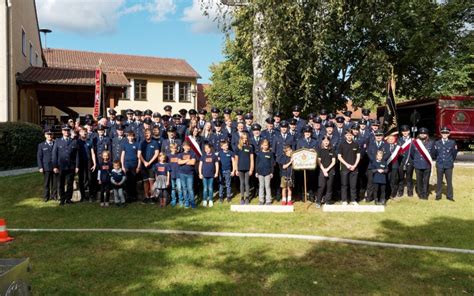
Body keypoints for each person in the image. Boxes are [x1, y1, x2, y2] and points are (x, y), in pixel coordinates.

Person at [52, 125, 79, 206]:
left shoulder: (74, 141)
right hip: (61, 166)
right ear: (62, 131)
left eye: (68, 130)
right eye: (65, 130)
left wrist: (77, 166)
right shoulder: (58, 141)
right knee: (61, 184)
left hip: (71, 166)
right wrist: (55, 166)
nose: (66, 132)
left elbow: (77, 155)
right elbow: (54, 155)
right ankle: (62, 199)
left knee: (70, 183)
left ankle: (68, 199)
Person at [433, 127, 457, 201]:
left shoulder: (452, 142)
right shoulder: (437, 142)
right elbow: (435, 154)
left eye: (446, 133)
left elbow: (454, 154)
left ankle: (450, 196)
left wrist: (450, 161)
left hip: (448, 165)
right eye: (443, 133)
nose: (445, 134)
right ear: (441, 133)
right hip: (440, 164)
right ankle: (438, 195)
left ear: (449, 134)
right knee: (439, 181)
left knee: (449, 181)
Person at [338, 130, 361, 205]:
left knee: (353, 185)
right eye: (347, 135)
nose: (349, 136)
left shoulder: (356, 144)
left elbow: (358, 156)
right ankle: (344, 200)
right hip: (345, 168)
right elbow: (339, 156)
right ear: (345, 136)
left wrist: (354, 165)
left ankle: (353, 200)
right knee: (344, 185)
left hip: (354, 168)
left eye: (350, 135)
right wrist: (347, 165)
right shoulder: (342, 144)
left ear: (352, 136)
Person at [411, 127, 434, 200]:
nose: (423, 135)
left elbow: (433, 153)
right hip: (418, 164)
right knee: (419, 180)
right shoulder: (414, 143)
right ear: (419, 134)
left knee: (426, 180)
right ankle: (420, 194)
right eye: (421, 133)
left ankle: (425, 194)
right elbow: (412, 153)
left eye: (424, 133)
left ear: (427, 134)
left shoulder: (431, 142)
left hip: (427, 164)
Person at [138, 129, 160, 204]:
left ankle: (152, 197)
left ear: (151, 134)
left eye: (149, 133)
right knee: (145, 181)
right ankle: (146, 196)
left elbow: (157, 153)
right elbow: (139, 154)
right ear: (144, 134)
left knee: (152, 181)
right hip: (144, 165)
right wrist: (144, 162)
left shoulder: (155, 142)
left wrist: (149, 162)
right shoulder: (141, 143)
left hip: (152, 165)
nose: (148, 135)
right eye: (146, 134)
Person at [37, 129, 58, 202]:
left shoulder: (56, 143)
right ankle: (46, 197)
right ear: (45, 135)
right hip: (46, 167)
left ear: (52, 135)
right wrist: (40, 167)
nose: (49, 136)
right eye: (48, 134)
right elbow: (39, 157)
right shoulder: (41, 145)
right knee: (46, 183)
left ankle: (54, 196)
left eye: (51, 134)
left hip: (55, 166)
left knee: (54, 183)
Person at [77, 127, 97, 202]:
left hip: (89, 162)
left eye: (85, 132)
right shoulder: (77, 142)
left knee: (90, 178)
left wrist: (94, 163)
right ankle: (83, 196)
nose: (84, 133)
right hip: (81, 162)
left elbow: (93, 153)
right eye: (82, 132)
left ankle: (91, 196)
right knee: (81, 179)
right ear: (80, 133)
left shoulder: (90, 141)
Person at [316, 136, 336, 208]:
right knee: (321, 186)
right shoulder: (320, 150)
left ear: (329, 142)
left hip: (330, 171)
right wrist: (324, 170)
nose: (326, 142)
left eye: (327, 141)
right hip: (322, 170)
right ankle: (318, 201)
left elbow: (333, 162)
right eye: (324, 141)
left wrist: (327, 170)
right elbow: (319, 162)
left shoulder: (332, 150)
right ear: (322, 142)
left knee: (329, 186)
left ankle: (327, 201)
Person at [120, 131, 141, 202]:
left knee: (134, 181)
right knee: (127, 181)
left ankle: (134, 196)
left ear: (134, 137)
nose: (131, 137)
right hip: (127, 165)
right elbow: (122, 156)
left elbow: (139, 156)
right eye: (129, 136)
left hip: (134, 165)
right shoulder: (125, 145)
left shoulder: (137, 144)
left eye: (132, 136)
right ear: (127, 137)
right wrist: (122, 166)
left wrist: (138, 166)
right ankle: (128, 197)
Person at [235, 133, 254, 205]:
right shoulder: (238, 148)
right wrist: (236, 169)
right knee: (242, 183)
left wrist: (251, 169)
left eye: (246, 138)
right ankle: (242, 197)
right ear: (241, 139)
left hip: (248, 168)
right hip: (240, 168)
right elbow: (236, 160)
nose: (245, 140)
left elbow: (251, 159)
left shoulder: (250, 147)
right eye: (243, 138)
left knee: (247, 183)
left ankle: (247, 197)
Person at [199, 143, 219, 207]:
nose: (207, 149)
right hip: (204, 175)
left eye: (208, 148)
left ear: (211, 148)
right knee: (205, 188)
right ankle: (205, 200)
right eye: (205, 148)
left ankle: (210, 200)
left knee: (210, 188)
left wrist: (216, 173)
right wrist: (200, 173)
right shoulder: (203, 156)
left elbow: (217, 165)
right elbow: (200, 165)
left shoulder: (214, 156)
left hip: (211, 175)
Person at [178, 141, 197, 208]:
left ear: (190, 147)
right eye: (185, 146)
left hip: (190, 174)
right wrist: (187, 160)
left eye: (188, 146)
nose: (187, 147)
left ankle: (192, 203)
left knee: (190, 189)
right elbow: (179, 162)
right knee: (184, 189)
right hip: (182, 173)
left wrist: (184, 162)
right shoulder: (180, 154)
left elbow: (193, 163)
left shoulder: (193, 153)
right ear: (183, 147)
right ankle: (186, 202)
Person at [255, 139, 274, 205]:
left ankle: (268, 200)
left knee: (267, 186)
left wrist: (272, 172)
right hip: (260, 172)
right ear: (261, 146)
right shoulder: (259, 154)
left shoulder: (270, 154)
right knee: (261, 186)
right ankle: (261, 200)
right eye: (264, 145)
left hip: (268, 172)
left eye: (267, 145)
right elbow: (257, 163)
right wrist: (256, 172)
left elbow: (272, 164)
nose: (265, 146)